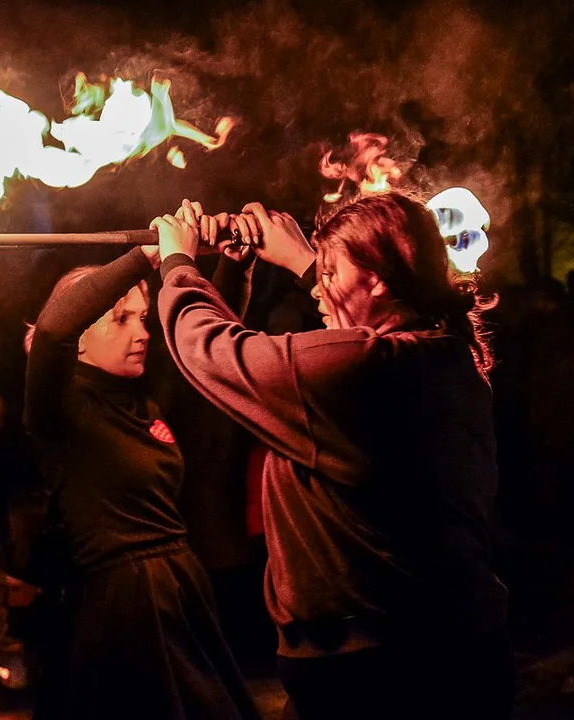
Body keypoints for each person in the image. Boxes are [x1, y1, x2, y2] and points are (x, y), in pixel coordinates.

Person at [153, 195, 513, 719]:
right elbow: (349, 324)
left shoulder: (359, 371)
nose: (319, 285)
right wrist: (288, 262)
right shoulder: (443, 352)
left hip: (377, 671)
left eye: (330, 270)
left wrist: (178, 262)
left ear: (379, 279)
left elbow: (209, 349)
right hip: (452, 643)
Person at [22, 231, 259, 719]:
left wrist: (234, 265)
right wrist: (147, 257)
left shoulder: (143, 397)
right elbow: (51, 331)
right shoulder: (58, 408)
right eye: (121, 319)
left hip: (179, 587)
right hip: (120, 607)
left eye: (143, 318)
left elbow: (210, 345)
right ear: (80, 341)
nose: (142, 332)